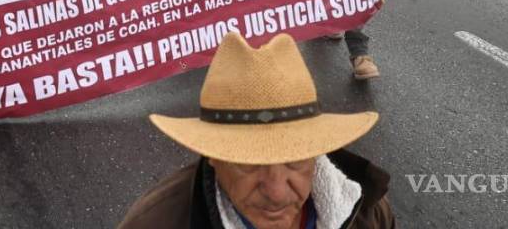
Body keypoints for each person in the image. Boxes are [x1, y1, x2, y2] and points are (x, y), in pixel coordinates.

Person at [119, 32, 394, 229]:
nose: (276, 192)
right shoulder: (155, 222)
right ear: (211, 155)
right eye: (248, 163)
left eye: (296, 159)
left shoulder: (369, 213)